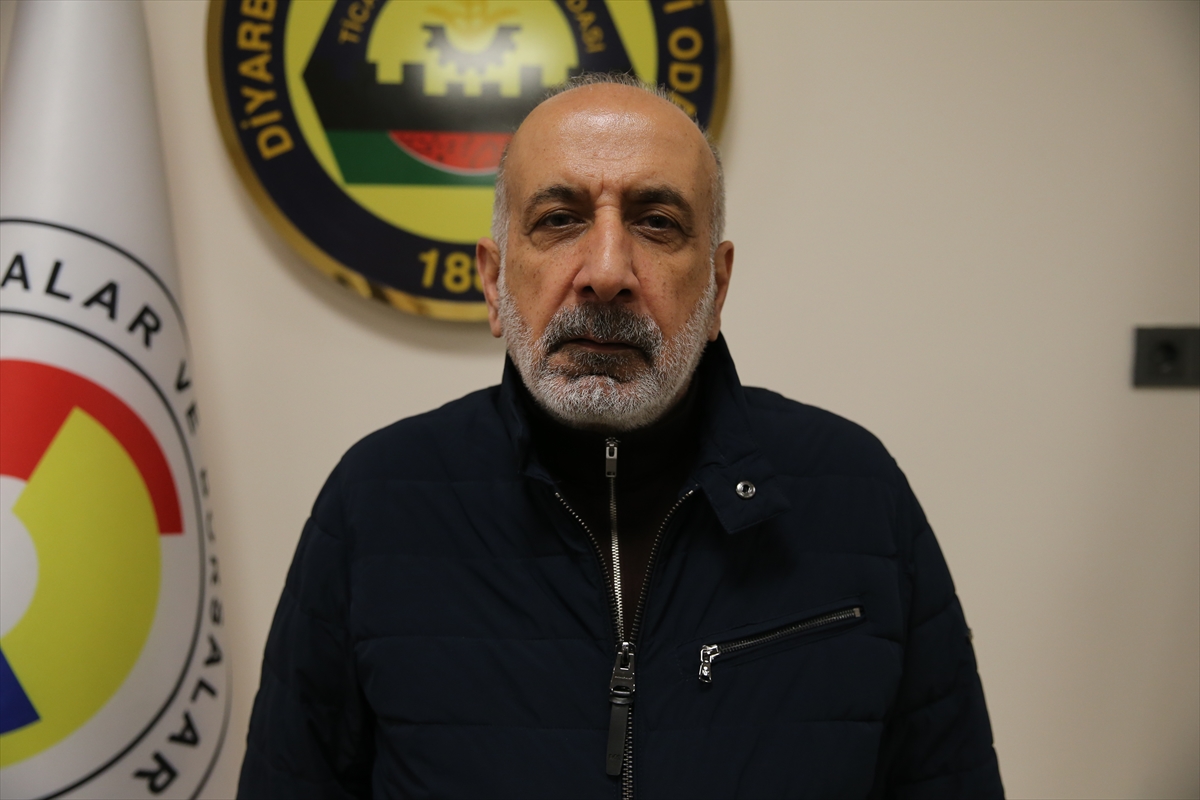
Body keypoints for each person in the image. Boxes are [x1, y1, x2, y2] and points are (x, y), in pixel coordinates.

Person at [238, 73, 1004, 799]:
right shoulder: (375, 506)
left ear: (717, 287)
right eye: (559, 219)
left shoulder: (857, 497)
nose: (606, 272)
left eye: (657, 223)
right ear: (494, 282)